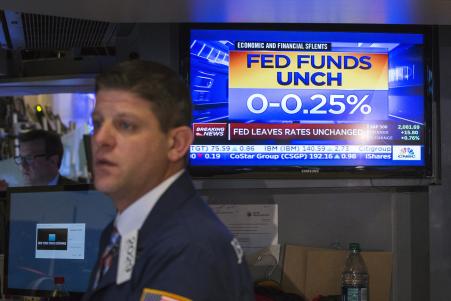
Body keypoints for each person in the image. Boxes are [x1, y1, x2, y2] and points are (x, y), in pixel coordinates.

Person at [82, 60, 254, 301]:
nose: (101, 138)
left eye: (125, 125)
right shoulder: (122, 230)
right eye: (98, 123)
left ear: (177, 144)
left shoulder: (190, 250)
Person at [0, 129, 77, 188]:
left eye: (29, 158)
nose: (23, 165)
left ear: (53, 161)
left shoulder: (79, 194)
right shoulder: (15, 197)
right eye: (21, 158)